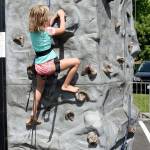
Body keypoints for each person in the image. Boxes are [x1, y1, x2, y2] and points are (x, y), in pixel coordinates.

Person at [26, 5, 80, 125]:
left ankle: (33, 115)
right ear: (43, 19)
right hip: (49, 66)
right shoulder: (47, 30)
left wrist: (55, 15)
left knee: (39, 89)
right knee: (76, 62)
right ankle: (65, 85)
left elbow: (47, 24)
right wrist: (60, 16)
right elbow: (61, 30)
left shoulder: (32, 31)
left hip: (38, 67)